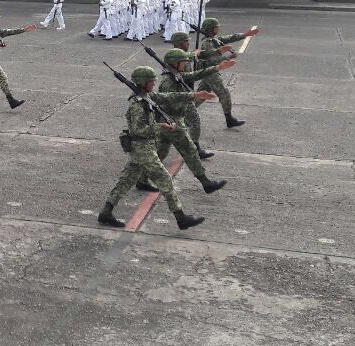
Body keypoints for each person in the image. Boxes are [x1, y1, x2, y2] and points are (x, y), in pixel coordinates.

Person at [98, 66, 208, 230]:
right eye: (151, 81)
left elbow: (167, 96)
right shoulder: (137, 105)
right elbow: (138, 130)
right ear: (143, 82)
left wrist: (194, 95)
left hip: (142, 149)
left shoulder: (147, 96)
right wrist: (161, 127)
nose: (154, 83)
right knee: (165, 180)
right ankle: (181, 218)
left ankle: (106, 212)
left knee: (126, 181)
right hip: (143, 149)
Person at [135, 47, 230, 194]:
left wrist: (217, 67)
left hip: (173, 119)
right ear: (174, 63)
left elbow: (195, 74)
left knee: (161, 151)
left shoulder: (177, 75)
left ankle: (142, 180)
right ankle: (206, 183)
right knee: (190, 151)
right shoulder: (168, 82)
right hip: (171, 120)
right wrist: (193, 96)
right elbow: (170, 97)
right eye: (183, 62)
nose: (186, 64)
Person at [196, 17, 259, 128]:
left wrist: (246, 34)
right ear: (210, 29)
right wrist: (227, 57)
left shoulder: (214, 39)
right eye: (216, 27)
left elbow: (230, 37)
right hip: (211, 72)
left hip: (211, 71)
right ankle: (229, 119)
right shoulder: (207, 43)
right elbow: (211, 60)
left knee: (201, 95)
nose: (218, 29)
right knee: (224, 94)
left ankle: (182, 112)